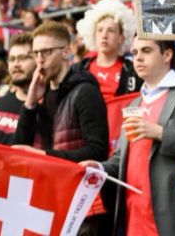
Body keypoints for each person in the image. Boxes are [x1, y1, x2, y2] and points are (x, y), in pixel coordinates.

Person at [82, 37, 175, 235]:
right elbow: (122, 159)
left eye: (146, 51)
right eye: (134, 53)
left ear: (167, 54)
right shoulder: (133, 105)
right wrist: (99, 167)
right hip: (133, 217)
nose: (138, 58)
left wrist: (161, 133)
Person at [13, 21, 108, 235]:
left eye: (46, 52)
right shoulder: (41, 93)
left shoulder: (85, 91)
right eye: (35, 53)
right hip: (49, 199)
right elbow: (21, 146)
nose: (39, 59)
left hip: (82, 204)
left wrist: (44, 156)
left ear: (66, 51)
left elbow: (97, 150)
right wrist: (29, 103)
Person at [77, 0, 142, 101]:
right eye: (100, 30)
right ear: (93, 34)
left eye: (111, 30)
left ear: (122, 37)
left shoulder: (134, 72)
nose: (104, 35)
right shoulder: (79, 69)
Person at [0, 34, 36, 144]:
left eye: (22, 58)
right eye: (12, 59)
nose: (16, 64)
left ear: (38, 60)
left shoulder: (48, 104)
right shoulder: (0, 103)